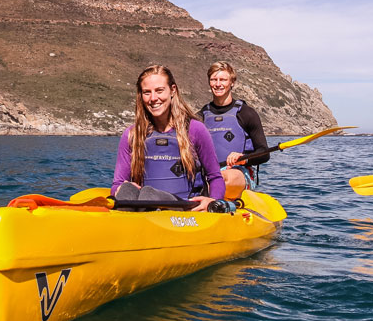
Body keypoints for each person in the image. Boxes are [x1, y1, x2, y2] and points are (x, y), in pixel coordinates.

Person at [112, 65, 226, 211]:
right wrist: (120, 189)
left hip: (184, 210)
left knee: (148, 194)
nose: (153, 98)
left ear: (173, 90)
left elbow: (215, 177)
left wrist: (212, 202)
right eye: (147, 92)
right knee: (127, 190)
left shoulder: (195, 129)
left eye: (159, 91)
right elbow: (117, 184)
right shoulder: (132, 135)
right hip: (144, 209)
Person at [198, 61, 269, 198]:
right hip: (208, 174)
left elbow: (264, 153)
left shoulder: (247, 114)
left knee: (222, 180)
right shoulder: (200, 116)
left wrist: (244, 158)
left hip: (239, 172)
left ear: (232, 82)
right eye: (214, 79)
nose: (218, 84)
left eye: (223, 79)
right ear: (209, 82)